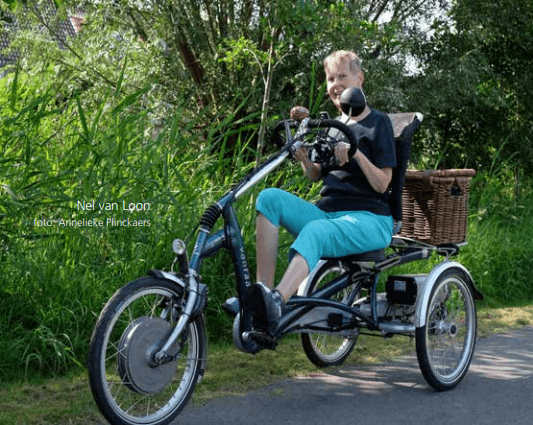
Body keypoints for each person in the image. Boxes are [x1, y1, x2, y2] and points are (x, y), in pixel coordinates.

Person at [242, 50, 396, 334]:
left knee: (315, 231)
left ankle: (278, 302)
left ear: (359, 79)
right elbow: (316, 176)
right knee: (269, 199)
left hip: (370, 219)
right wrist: (303, 158)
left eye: (342, 76)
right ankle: (262, 294)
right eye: (330, 78)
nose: (335, 84)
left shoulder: (379, 123)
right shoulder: (334, 128)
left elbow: (383, 183)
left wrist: (356, 154)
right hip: (329, 215)